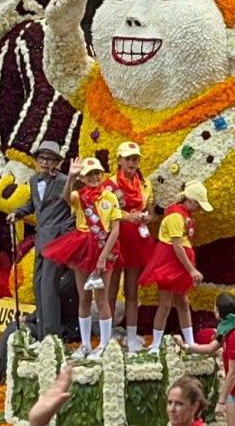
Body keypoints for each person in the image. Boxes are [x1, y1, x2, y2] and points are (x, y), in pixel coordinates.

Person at [42, 157, 121, 358]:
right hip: (82, 248)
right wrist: (70, 177)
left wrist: (103, 257)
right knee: (83, 297)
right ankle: (85, 344)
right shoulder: (79, 196)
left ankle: (104, 345)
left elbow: (115, 230)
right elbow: (66, 198)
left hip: (104, 248)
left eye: (97, 173)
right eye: (89, 174)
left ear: (102, 175)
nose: (94, 177)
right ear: (83, 178)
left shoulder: (110, 198)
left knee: (101, 299)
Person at [10, 140, 71, 341]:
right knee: (38, 285)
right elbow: (33, 204)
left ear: (57, 163)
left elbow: (75, 208)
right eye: (42, 158)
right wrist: (18, 213)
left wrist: (63, 232)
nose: (45, 162)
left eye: (50, 159)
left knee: (49, 287)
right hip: (41, 239)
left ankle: (52, 336)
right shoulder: (35, 181)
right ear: (37, 161)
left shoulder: (64, 181)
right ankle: (42, 330)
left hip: (56, 242)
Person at [178, 292, 235, 426]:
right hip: (234, 392)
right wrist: (187, 347)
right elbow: (211, 347)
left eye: (215, 307)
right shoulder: (229, 327)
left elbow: (233, 373)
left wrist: (221, 401)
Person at [145, 180, 211, 351]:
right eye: (198, 204)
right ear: (190, 200)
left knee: (182, 301)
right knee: (165, 303)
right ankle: (156, 344)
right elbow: (177, 246)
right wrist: (191, 269)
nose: (199, 209)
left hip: (180, 263)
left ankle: (190, 342)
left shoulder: (185, 214)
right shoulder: (176, 215)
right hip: (170, 261)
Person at [105, 140, 154, 352]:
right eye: (128, 159)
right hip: (116, 238)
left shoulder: (145, 184)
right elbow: (105, 212)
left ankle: (132, 336)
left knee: (131, 289)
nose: (132, 163)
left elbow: (151, 212)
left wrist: (145, 217)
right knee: (111, 289)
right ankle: (107, 336)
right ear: (119, 160)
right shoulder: (109, 184)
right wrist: (127, 217)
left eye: (135, 159)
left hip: (136, 239)